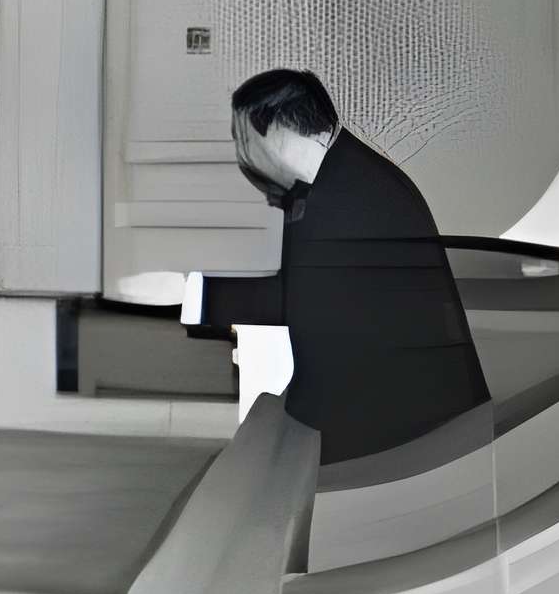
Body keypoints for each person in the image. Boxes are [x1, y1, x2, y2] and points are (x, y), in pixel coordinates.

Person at [182, 66, 489, 465]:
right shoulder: (342, 178)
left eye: (243, 138)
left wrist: (198, 295)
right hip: (394, 406)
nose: (242, 154)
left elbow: (302, 302)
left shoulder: (347, 200)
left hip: (399, 421)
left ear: (277, 130)